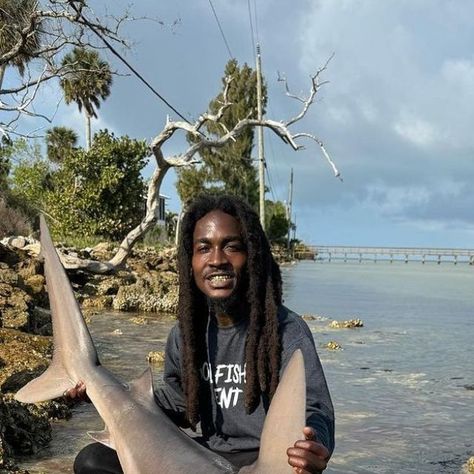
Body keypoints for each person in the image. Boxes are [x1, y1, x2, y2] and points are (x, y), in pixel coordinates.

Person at [70, 194, 335, 473]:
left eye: (232, 247)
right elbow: (180, 403)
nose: (217, 259)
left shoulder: (286, 331)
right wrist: (100, 394)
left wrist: (314, 444)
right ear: (191, 260)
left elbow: (315, 410)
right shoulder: (186, 334)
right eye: (204, 248)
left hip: (265, 458)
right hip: (207, 453)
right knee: (92, 461)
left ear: (252, 256)